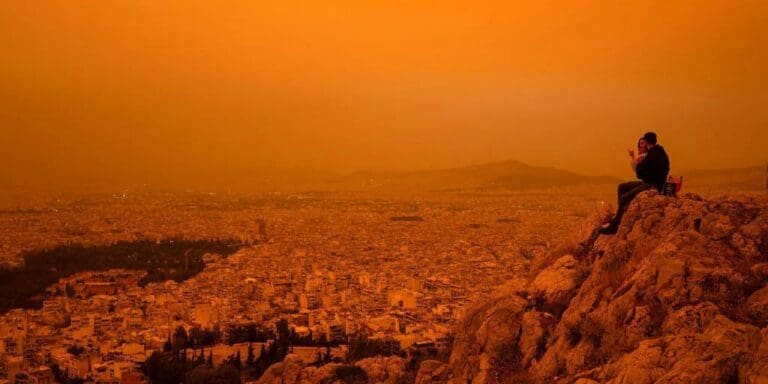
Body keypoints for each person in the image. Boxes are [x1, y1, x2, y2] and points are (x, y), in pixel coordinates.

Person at [599, 132, 670, 235]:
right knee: (622, 187)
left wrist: (639, 163)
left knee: (624, 197)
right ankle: (620, 216)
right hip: (654, 182)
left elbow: (640, 174)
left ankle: (614, 226)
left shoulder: (650, 155)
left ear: (646, 142)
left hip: (651, 185)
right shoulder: (661, 152)